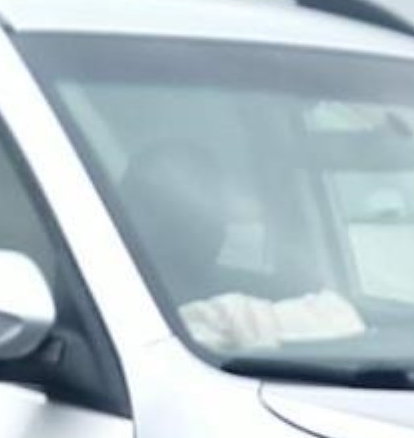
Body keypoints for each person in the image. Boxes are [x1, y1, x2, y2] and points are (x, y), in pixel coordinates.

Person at [123, 140, 365, 355]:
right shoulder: (107, 308)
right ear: (127, 213)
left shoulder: (272, 294)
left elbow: (344, 321)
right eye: (166, 207)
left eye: (208, 206)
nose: (200, 224)